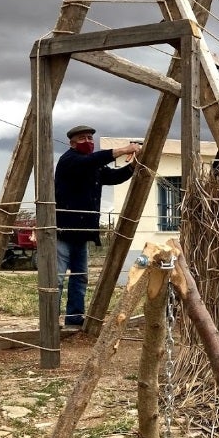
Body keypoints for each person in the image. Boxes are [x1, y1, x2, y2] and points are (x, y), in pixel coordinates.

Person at [55, 125, 143, 327]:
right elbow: (93, 160)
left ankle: (74, 318)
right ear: (72, 143)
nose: (88, 141)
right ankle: (50, 320)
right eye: (82, 138)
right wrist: (122, 150)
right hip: (62, 231)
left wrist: (131, 167)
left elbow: (112, 177)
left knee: (80, 278)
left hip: (82, 233)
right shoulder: (70, 161)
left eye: (90, 137)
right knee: (56, 280)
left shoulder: (92, 166)